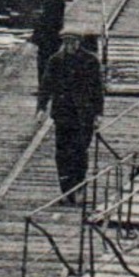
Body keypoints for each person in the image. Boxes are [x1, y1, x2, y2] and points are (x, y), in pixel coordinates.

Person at [45, 32, 104, 202]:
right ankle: (66, 191)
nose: (69, 46)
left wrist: (98, 113)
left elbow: (97, 89)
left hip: (84, 115)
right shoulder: (56, 60)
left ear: (79, 43)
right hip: (63, 115)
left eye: (73, 42)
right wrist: (41, 107)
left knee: (79, 152)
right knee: (62, 154)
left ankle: (78, 187)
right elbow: (46, 84)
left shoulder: (90, 61)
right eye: (66, 42)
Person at [31, 0, 66, 111]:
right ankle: (44, 89)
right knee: (45, 62)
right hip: (49, 35)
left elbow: (48, 14)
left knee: (45, 62)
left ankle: (46, 90)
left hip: (50, 36)